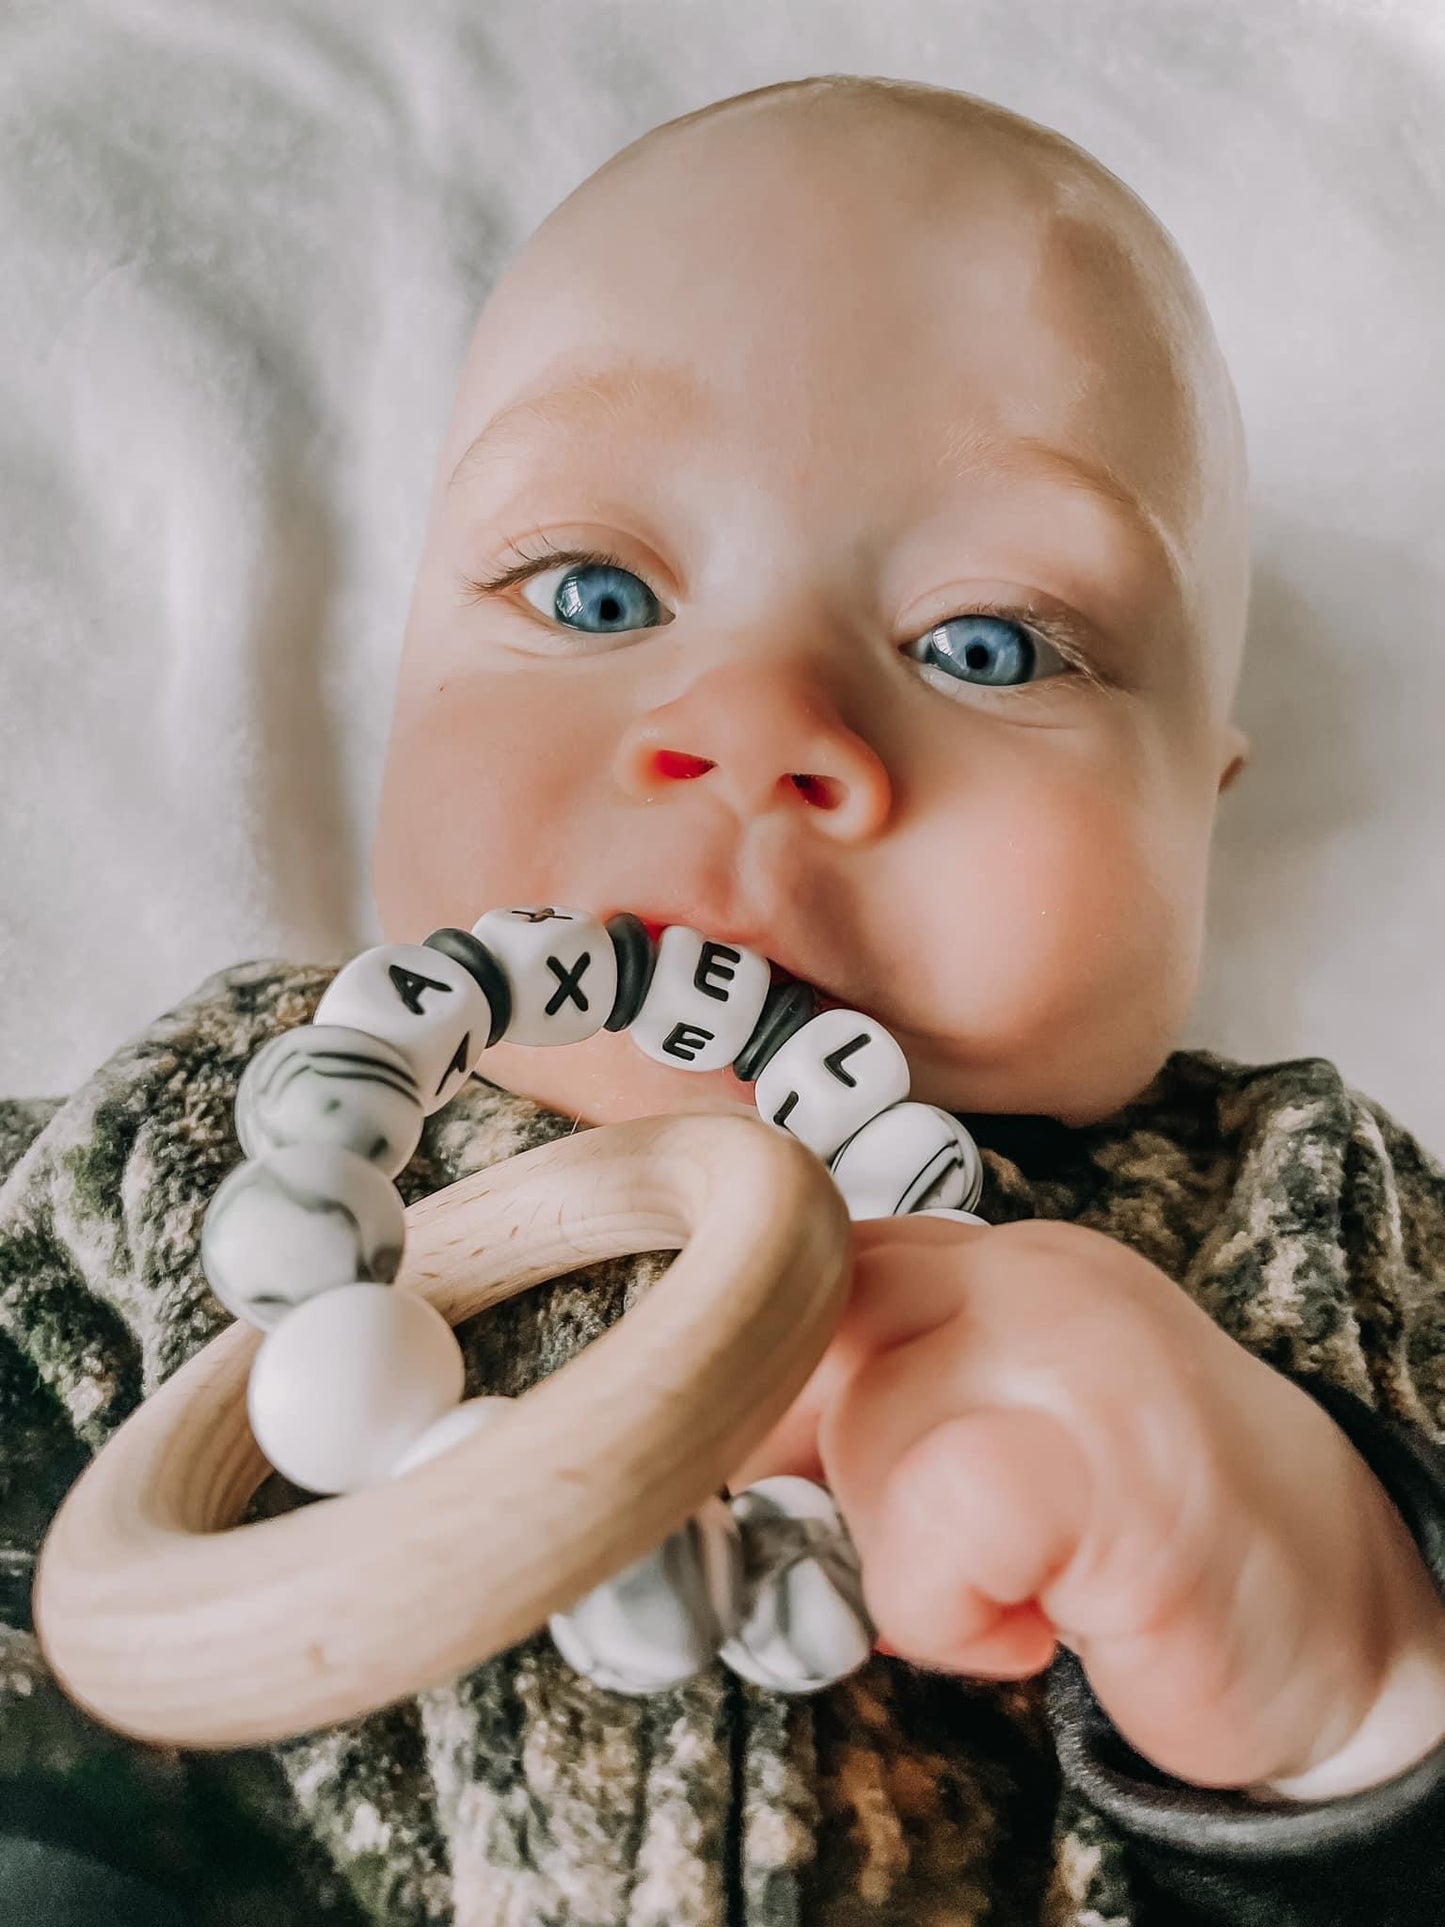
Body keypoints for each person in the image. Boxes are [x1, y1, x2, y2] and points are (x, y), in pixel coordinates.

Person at [3, 72, 1444, 1927]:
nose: (763, 730)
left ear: (1200, 811)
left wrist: (1356, 1686)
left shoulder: (1315, 1228)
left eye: (985, 644)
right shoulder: (197, 1145)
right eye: (594, 594)